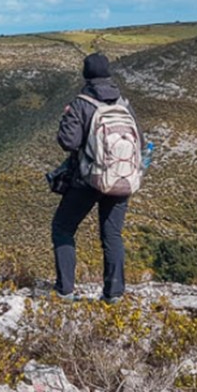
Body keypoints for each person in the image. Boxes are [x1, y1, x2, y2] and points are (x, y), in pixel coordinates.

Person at [51, 52, 138, 303]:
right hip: (121, 179)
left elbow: (68, 142)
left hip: (87, 180)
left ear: (86, 75)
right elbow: (139, 141)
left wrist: (66, 118)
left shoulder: (81, 103)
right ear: (108, 73)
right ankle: (114, 294)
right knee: (112, 235)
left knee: (63, 228)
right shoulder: (123, 104)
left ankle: (65, 290)